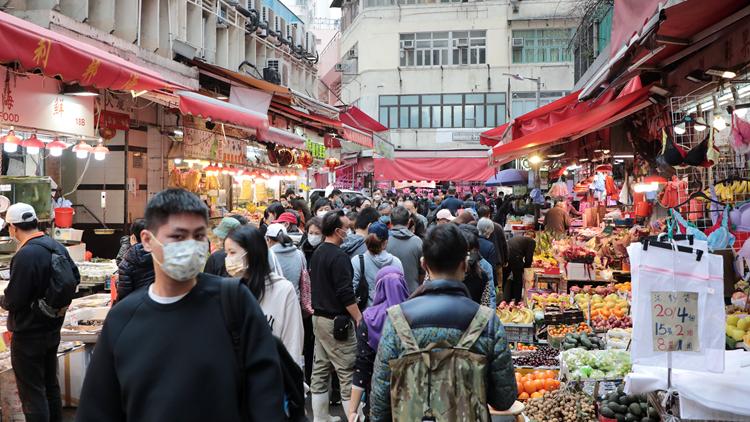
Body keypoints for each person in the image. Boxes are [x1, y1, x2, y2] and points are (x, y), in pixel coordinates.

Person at [76, 188, 284, 421]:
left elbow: (267, 395)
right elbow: (98, 409)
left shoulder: (234, 301)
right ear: (147, 240)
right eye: (178, 237)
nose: (190, 246)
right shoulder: (122, 319)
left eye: (198, 236)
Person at [369, 224, 517, 421]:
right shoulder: (487, 321)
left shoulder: (397, 320)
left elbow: (379, 405)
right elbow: (504, 399)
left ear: (424, 265)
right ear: (465, 265)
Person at [0, 203, 80, 422]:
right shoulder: (56, 246)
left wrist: (2, 299)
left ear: (13, 228)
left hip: (28, 335)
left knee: (32, 393)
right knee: (50, 387)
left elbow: (14, 300)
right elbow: (75, 278)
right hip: (52, 330)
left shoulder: (26, 254)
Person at [309, 210, 363, 422]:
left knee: (321, 369)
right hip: (336, 323)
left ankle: (321, 418)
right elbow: (345, 293)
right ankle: (354, 417)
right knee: (347, 370)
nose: (348, 231)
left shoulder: (319, 251)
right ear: (337, 230)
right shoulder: (339, 256)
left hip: (319, 319)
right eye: (346, 228)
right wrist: (359, 317)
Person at [226, 224, 304, 366]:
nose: (228, 259)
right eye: (226, 253)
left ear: (252, 252)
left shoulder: (283, 290)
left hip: (272, 379)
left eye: (232, 252)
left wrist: (292, 382)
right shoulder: (227, 290)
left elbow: (292, 344)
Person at [348, 266, 410, 422]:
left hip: (377, 395)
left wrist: (352, 410)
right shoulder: (416, 315)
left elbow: (363, 366)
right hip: (413, 394)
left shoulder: (369, 318)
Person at [351, 222, 404, 309]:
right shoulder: (396, 262)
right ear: (386, 241)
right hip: (390, 316)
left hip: (366, 315)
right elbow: (400, 291)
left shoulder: (358, 261)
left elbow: (351, 290)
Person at [298, 217, 323, 384]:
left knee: (318, 343)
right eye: (310, 232)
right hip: (306, 304)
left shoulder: (324, 251)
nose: (313, 236)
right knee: (306, 341)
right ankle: (306, 376)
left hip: (321, 303)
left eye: (317, 233)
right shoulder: (302, 250)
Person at [385, 206, 425, 293]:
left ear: (390, 221)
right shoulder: (417, 241)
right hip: (411, 292)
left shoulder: (384, 241)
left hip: (389, 292)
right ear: (409, 222)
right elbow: (422, 271)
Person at [117, 219, 155, 302]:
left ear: (133, 237)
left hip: (137, 307)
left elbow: (123, 295)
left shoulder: (126, 264)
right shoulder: (160, 257)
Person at [265, 223, 304, 297]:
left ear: (269, 239)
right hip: (295, 300)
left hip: (277, 300)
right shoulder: (299, 253)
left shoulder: (268, 255)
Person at [458, 227, 493, 307]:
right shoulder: (444, 274)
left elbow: (485, 310)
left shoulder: (481, 277)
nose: (471, 256)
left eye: (475, 251)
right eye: (468, 251)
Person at [504, 230, 536, 303]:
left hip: (506, 253)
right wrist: (526, 269)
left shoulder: (520, 239)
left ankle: (502, 298)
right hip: (515, 255)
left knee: (504, 277)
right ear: (534, 238)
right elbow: (529, 257)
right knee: (517, 278)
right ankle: (517, 300)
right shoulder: (531, 241)